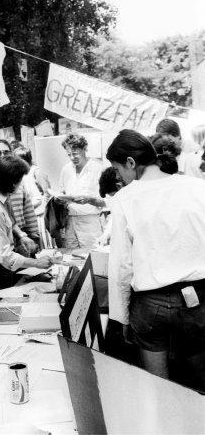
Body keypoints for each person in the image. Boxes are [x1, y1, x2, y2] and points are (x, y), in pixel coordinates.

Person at [107, 129, 205, 391]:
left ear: (130, 163)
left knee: (159, 389)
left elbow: (121, 267)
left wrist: (121, 318)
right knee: (200, 383)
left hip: (151, 307)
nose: (118, 178)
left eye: (118, 170)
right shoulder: (197, 187)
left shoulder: (126, 199)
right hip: (197, 299)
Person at [0, 155, 52, 308]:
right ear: (12, 182)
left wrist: (21, 236)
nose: (21, 184)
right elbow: (4, 256)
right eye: (20, 180)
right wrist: (37, 263)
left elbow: (9, 221)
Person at [0, 139, 40, 256]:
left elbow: (28, 209)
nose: (2, 155)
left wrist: (34, 236)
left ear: (11, 153)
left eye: (6, 152)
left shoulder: (19, 178)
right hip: (3, 237)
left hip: (22, 236)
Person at [59, 133, 105, 249]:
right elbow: (62, 191)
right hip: (70, 221)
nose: (72, 158)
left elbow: (107, 201)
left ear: (85, 149)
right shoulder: (66, 170)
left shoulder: (98, 168)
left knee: (93, 256)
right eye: (69, 154)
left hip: (90, 221)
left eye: (75, 154)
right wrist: (60, 199)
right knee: (71, 257)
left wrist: (90, 200)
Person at [14, 147, 53, 249]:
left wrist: (26, 206)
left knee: (43, 243)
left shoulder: (35, 172)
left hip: (39, 215)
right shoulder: (21, 173)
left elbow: (46, 193)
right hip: (30, 216)